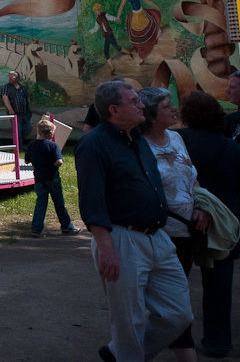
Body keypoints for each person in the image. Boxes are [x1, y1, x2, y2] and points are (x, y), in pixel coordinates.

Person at [76, 79, 194, 362]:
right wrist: (106, 247)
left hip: (158, 236)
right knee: (129, 321)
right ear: (114, 110)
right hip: (121, 238)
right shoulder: (94, 144)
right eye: (134, 101)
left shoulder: (137, 138)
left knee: (179, 315)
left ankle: (121, 354)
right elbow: (92, 199)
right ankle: (127, 353)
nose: (142, 105)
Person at [139, 86, 209, 360]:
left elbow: (192, 177)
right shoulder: (138, 145)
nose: (174, 109)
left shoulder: (177, 138)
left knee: (175, 304)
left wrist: (201, 206)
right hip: (159, 235)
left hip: (187, 233)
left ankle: (127, 352)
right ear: (151, 114)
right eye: (167, 105)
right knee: (173, 305)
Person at [178, 90, 240, 358]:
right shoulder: (231, 147)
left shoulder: (179, 140)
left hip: (183, 220)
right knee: (219, 286)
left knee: (175, 283)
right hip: (221, 224)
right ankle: (218, 341)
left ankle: (177, 339)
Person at [25, 118, 80, 238]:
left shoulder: (32, 145)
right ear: (51, 133)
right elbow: (59, 161)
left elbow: (27, 160)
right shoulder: (53, 146)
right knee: (59, 203)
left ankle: (36, 229)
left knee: (41, 204)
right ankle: (67, 227)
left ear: (38, 131)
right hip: (52, 178)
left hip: (39, 179)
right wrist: (54, 164)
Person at [116, 0, 162, 65]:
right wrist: (118, 16)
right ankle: (141, 57)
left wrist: (155, 6)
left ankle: (157, 33)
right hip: (134, 16)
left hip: (141, 14)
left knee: (148, 28)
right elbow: (121, 6)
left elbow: (146, 0)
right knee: (137, 37)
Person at [0, 71, 32, 152]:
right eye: (9, 76)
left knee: (28, 128)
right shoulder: (6, 87)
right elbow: (5, 97)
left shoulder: (22, 87)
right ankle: (19, 148)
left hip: (24, 113)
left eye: (13, 76)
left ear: (17, 78)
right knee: (17, 131)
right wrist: (10, 109)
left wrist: (29, 110)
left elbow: (27, 98)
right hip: (15, 113)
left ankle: (20, 144)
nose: (10, 77)